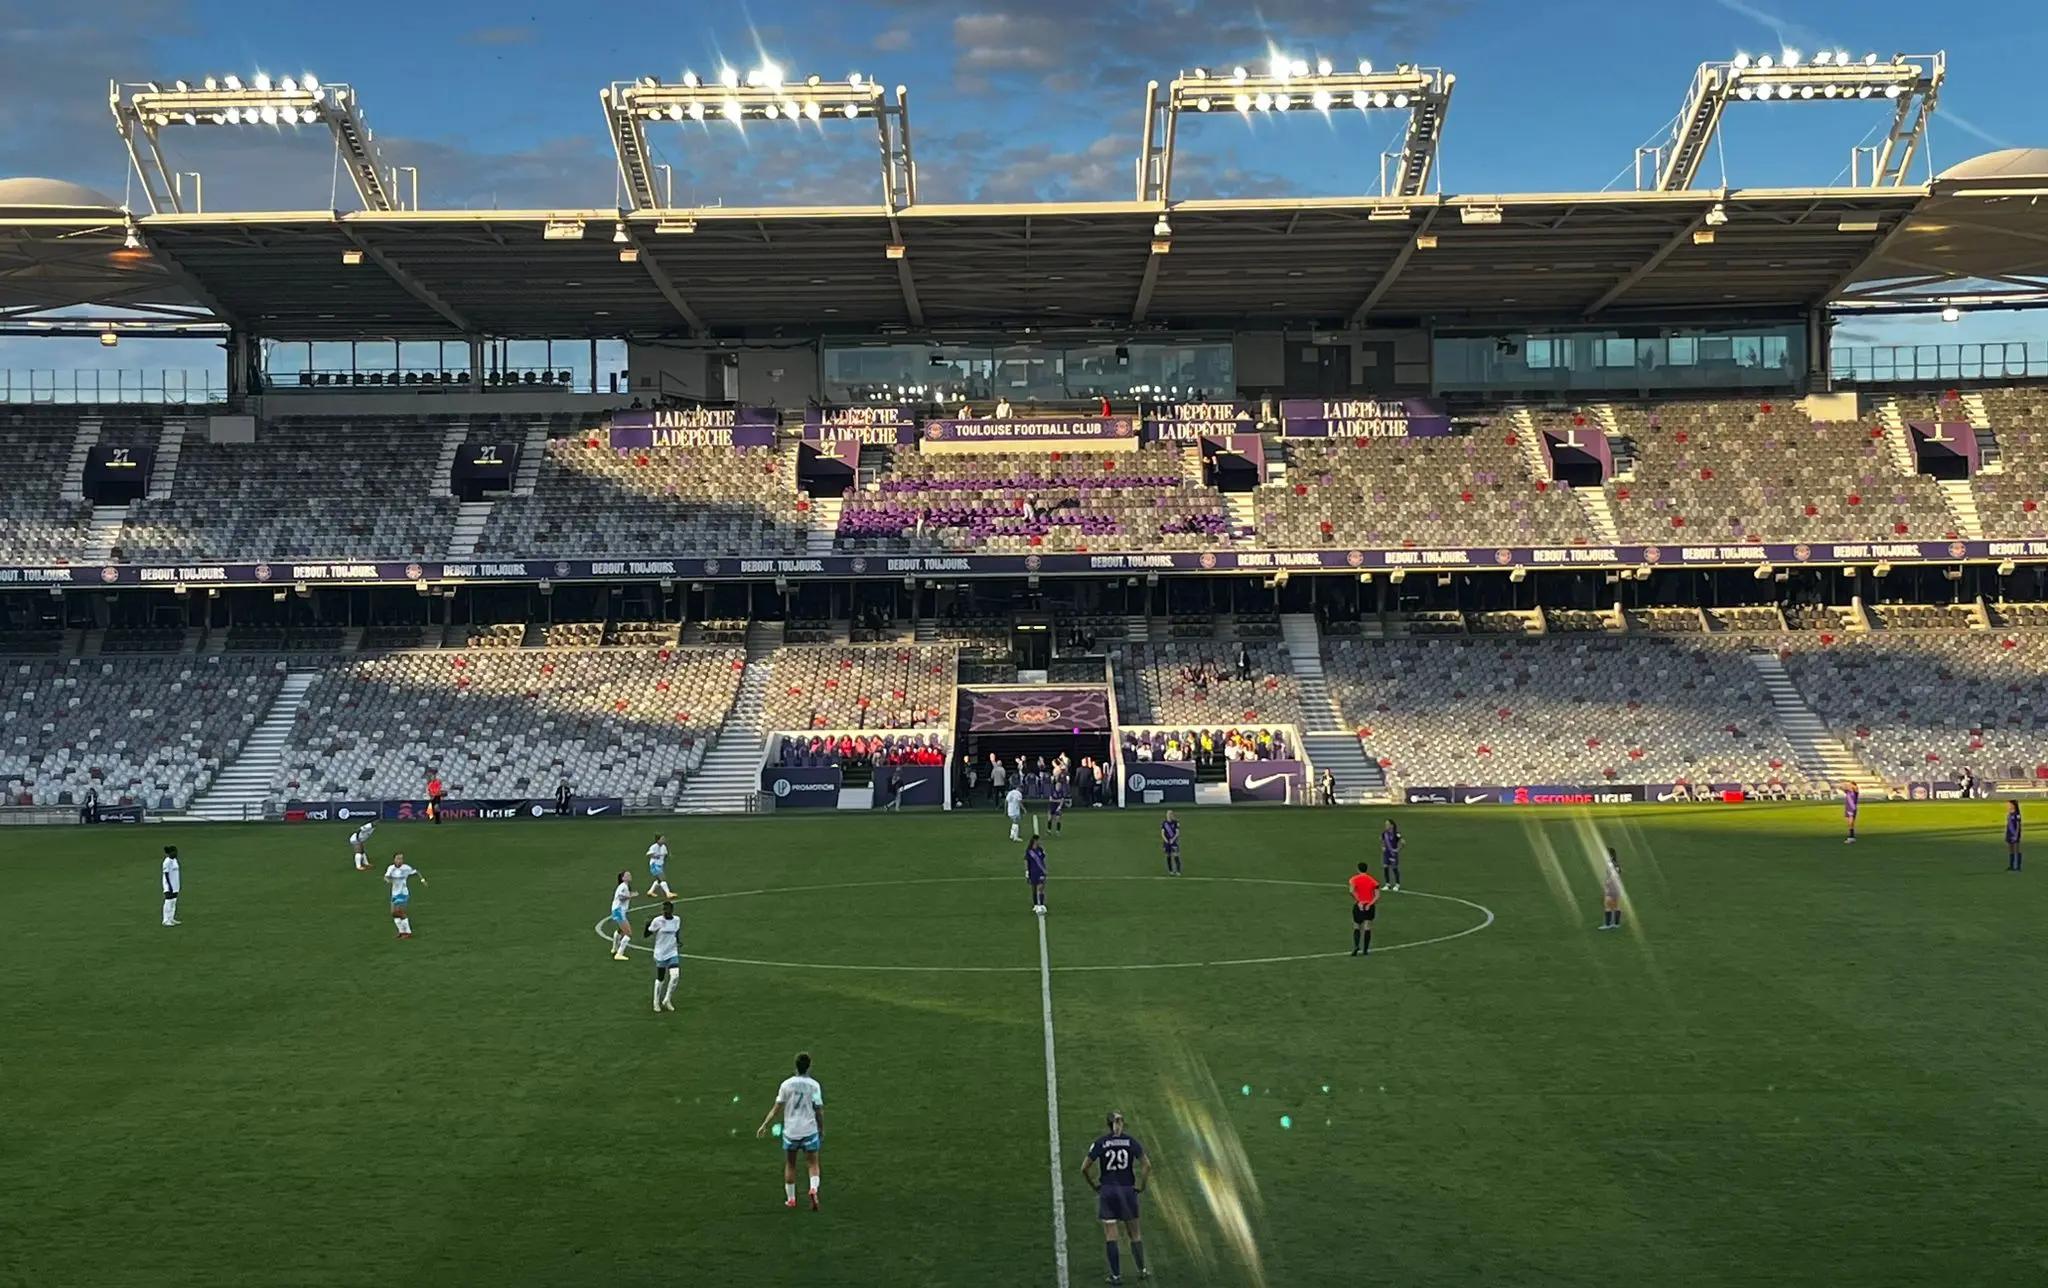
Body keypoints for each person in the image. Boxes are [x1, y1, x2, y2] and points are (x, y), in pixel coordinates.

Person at [1081, 1111, 1153, 1284]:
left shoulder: (1101, 1142)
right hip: (1127, 1191)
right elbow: (1147, 1165)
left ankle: (1115, 1276)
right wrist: (1141, 1186)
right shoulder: (1130, 1141)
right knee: (1134, 1233)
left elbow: (1084, 1168)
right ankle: (1142, 1270)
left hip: (1108, 1192)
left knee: (1111, 1235)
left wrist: (1095, 1186)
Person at [756, 1052, 825, 1210]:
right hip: (809, 1129)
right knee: (813, 1163)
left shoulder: (786, 1085)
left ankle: (791, 1199)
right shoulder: (814, 1085)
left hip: (791, 1131)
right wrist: (821, 1129)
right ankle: (813, 1189)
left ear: (796, 1066)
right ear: (809, 1067)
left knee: (791, 1164)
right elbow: (819, 1110)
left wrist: (765, 1124)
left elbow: (776, 1108)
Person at [644, 899, 683, 1013]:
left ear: (671, 910)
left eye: (666, 909)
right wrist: (647, 925)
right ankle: (656, 1002)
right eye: (663, 910)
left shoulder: (677, 920)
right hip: (661, 953)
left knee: (675, 976)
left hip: (672, 952)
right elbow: (647, 934)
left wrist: (678, 941)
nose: (664, 912)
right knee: (660, 979)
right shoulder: (658, 921)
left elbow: (677, 931)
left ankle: (667, 999)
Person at [384, 853, 424, 939]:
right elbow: (386, 876)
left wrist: (422, 880)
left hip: (403, 893)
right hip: (394, 893)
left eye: (401, 859)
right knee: (393, 913)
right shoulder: (391, 868)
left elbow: (416, 871)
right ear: (394, 860)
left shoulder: (406, 868)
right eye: (398, 859)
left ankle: (408, 932)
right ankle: (401, 931)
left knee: (400, 911)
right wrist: (388, 880)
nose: (399, 860)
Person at [1348, 861, 1378, 956]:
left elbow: (1351, 891)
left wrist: (1359, 901)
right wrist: (1370, 904)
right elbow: (1377, 895)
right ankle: (1365, 950)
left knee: (1356, 926)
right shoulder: (1372, 880)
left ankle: (1356, 946)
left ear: (1358, 869)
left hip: (1359, 905)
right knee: (1367, 927)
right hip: (1369, 905)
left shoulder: (1354, 879)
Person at [608, 870, 634, 959]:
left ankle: (614, 948)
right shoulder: (623, 886)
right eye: (627, 875)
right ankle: (619, 954)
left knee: (621, 930)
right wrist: (630, 896)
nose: (630, 876)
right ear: (623, 878)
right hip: (619, 911)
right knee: (628, 933)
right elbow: (620, 896)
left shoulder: (624, 886)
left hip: (617, 910)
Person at [1598, 848, 1624, 930]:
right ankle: (1616, 924)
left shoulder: (1610, 864)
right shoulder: (1616, 864)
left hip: (1611, 886)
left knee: (1607, 905)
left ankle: (1608, 925)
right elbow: (1618, 872)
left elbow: (1613, 875)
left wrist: (1608, 882)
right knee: (1616, 905)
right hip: (1617, 886)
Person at [645, 834, 674, 899]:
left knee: (659, 880)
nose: (664, 840)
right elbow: (648, 854)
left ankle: (650, 891)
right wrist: (655, 856)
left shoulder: (664, 846)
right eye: (662, 839)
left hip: (660, 865)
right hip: (654, 865)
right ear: (658, 840)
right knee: (662, 878)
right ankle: (668, 893)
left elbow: (665, 854)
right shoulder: (654, 847)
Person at [1025, 834, 1049, 913]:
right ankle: (1036, 905)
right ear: (1035, 841)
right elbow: (1026, 861)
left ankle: (1041, 904)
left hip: (1040, 871)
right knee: (1034, 889)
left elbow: (1043, 859)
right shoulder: (1029, 851)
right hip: (1033, 871)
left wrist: (1044, 869)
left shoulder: (1040, 849)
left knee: (1041, 887)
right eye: (1038, 840)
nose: (1040, 842)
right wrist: (1027, 872)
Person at [160, 844, 181, 927]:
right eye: (175, 852)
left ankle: (171, 918)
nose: (176, 853)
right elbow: (166, 875)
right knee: (168, 902)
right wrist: (169, 886)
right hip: (169, 886)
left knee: (173, 902)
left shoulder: (175, 860)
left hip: (175, 884)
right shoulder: (167, 862)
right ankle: (165, 920)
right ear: (170, 852)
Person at [1381, 818, 1403, 891]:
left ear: (1392, 825)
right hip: (1386, 853)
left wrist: (1398, 850)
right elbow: (1382, 841)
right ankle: (1387, 884)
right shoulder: (1384, 833)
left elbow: (1403, 842)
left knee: (1394, 868)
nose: (1386, 826)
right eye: (1385, 824)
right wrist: (1383, 847)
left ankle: (1397, 884)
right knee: (1385, 867)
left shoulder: (1397, 834)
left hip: (1393, 853)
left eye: (1387, 824)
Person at [1160, 811, 1182, 876]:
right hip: (1167, 842)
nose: (1169, 816)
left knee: (1176, 856)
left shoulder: (1175, 823)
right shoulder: (1164, 823)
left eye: (1170, 814)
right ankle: (1170, 871)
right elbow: (1162, 833)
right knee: (1168, 856)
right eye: (1168, 814)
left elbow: (1177, 832)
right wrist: (1166, 840)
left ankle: (1178, 871)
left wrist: (1173, 839)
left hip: (1174, 842)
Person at [2007, 800, 2024, 872]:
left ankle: (2018, 867)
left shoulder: (2017, 814)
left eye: (2009, 805)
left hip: (2015, 834)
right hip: (2009, 834)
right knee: (2011, 850)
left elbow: (2018, 825)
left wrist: (2016, 835)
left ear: (2013, 805)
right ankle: (2011, 866)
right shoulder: (2009, 814)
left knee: (2017, 849)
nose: (2008, 806)